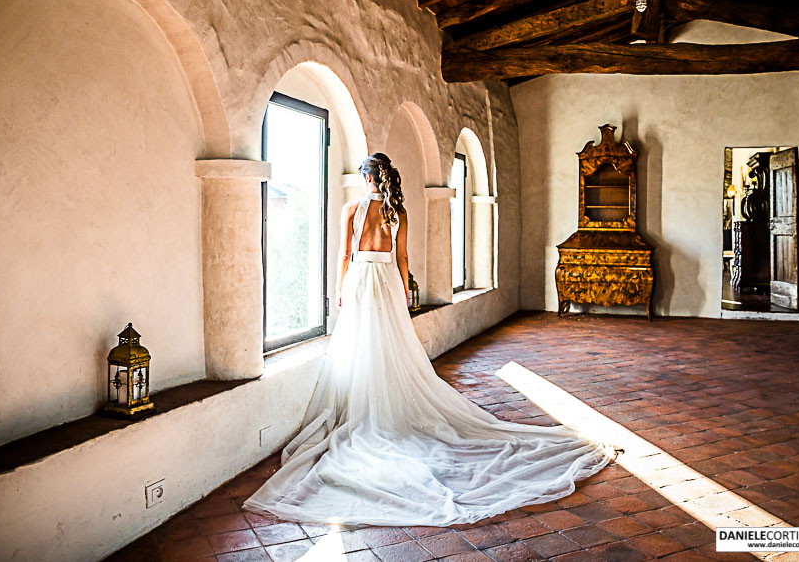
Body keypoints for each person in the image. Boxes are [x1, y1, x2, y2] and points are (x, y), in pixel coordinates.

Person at [244, 153, 617, 526]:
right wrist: (404, 293)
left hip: (360, 279)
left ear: (367, 177)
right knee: (391, 344)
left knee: (359, 344)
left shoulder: (351, 209)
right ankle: (385, 406)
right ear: (386, 177)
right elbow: (402, 257)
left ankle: (365, 406)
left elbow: (344, 254)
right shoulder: (397, 212)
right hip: (388, 280)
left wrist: (341, 290)